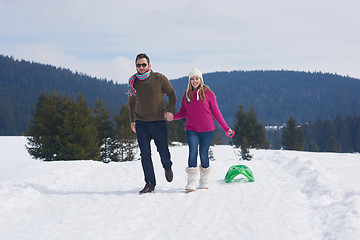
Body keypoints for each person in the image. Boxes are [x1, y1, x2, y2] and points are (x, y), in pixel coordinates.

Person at [166, 67, 234, 192]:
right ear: (189, 81)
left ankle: (204, 180)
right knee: (192, 152)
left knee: (203, 154)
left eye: (197, 78)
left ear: (201, 80)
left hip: (207, 130)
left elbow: (216, 113)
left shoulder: (208, 94)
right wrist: (172, 117)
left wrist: (226, 128)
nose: (195, 81)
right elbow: (183, 112)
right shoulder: (186, 94)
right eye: (192, 79)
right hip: (191, 129)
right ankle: (191, 182)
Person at [128, 53, 176, 194]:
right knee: (145, 155)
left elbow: (172, 93)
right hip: (141, 123)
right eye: (138, 65)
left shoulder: (159, 78)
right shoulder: (133, 82)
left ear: (149, 66)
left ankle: (167, 166)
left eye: (144, 64)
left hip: (158, 122)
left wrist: (171, 111)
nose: (141, 67)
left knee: (163, 151)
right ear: (136, 66)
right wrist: (132, 120)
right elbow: (131, 102)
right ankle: (150, 183)